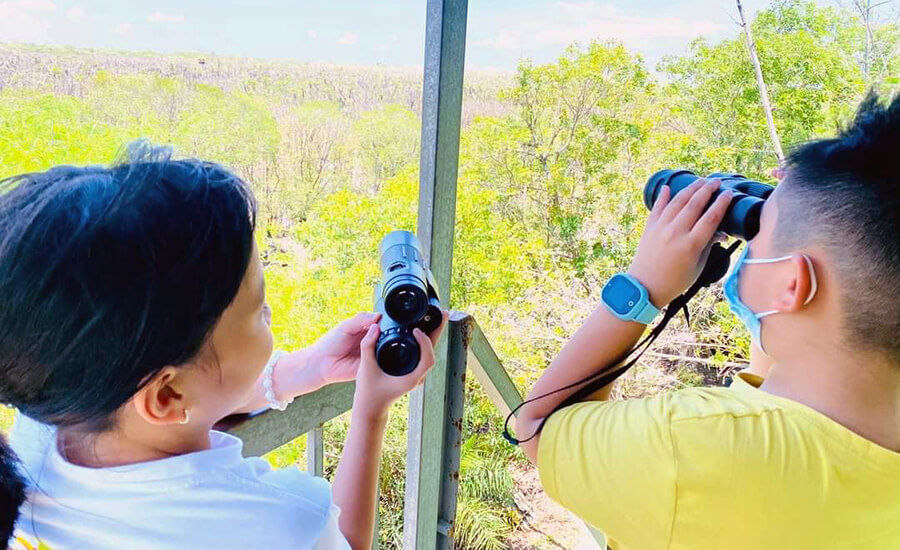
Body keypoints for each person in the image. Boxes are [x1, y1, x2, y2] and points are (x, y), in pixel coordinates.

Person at [0, 141, 448, 549]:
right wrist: (370, 409)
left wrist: (310, 368)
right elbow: (345, 543)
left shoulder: (40, 429)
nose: (269, 317)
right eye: (259, 310)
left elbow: (195, 399)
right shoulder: (278, 524)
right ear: (167, 396)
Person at [515, 92, 900, 549]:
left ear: (792, 285)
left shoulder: (693, 446)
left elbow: (538, 425)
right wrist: (805, 212)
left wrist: (644, 286)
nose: (751, 244)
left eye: (759, 236)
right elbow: (786, 386)